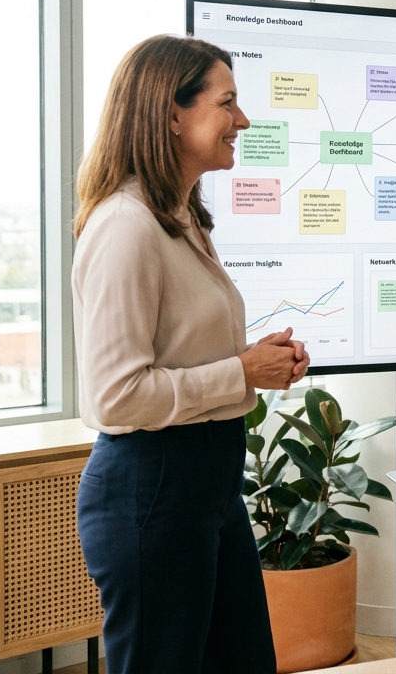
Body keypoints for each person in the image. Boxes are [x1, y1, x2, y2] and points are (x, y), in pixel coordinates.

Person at [73, 35, 310, 673]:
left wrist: (258, 362)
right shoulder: (125, 228)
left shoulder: (182, 217)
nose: (244, 120)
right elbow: (114, 397)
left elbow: (179, 353)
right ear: (172, 114)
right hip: (152, 493)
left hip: (206, 489)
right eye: (227, 103)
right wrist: (240, 372)